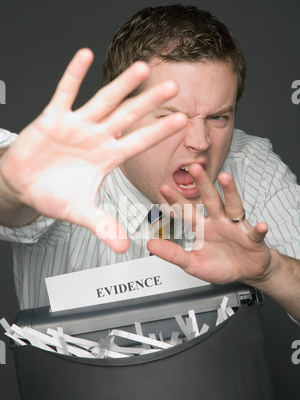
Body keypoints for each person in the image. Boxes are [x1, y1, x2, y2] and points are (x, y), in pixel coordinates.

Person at [1, 4, 300, 323]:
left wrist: (271, 270)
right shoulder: (66, 172)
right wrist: (10, 185)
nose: (200, 142)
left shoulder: (251, 166)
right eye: (171, 117)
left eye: (217, 117)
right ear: (120, 114)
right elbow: (11, 197)